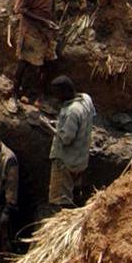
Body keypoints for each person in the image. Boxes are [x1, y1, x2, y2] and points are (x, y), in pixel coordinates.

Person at [46, 76, 97, 213]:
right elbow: (90, 117)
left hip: (65, 162)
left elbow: (66, 139)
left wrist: (47, 127)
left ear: (64, 92)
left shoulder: (71, 111)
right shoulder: (86, 99)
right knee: (75, 190)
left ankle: (63, 224)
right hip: (80, 159)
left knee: (60, 199)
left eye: (57, 93)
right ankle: (78, 207)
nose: (56, 97)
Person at [13, 0, 57, 97]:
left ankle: (39, 95)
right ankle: (14, 95)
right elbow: (20, 9)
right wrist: (45, 21)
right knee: (24, 62)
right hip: (31, 29)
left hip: (46, 27)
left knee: (47, 61)